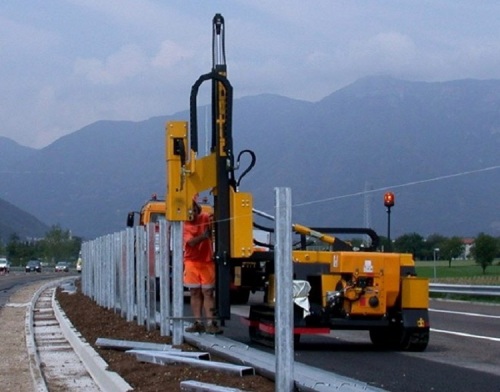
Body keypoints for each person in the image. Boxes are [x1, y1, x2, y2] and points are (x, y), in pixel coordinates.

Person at [183, 199, 222, 334]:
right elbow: (191, 243)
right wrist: (204, 236)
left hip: (207, 261)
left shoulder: (205, 217)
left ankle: (211, 323)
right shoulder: (185, 226)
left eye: (194, 210)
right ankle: (198, 322)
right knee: (194, 292)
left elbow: (213, 218)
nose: (192, 213)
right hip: (192, 261)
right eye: (189, 211)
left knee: (208, 292)